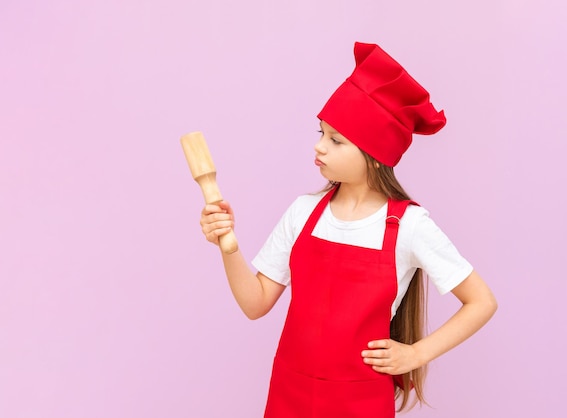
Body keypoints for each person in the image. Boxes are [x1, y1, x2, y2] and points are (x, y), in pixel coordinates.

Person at [199, 42, 497, 418]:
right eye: (321, 132)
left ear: (376, 156)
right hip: (289, 392)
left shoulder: (409, 226)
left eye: (336, 140)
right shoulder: (303, 212)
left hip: (361, 403)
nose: (319, 147)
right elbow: (255, 304)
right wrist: (228, 246)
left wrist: (416, 354)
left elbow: (482, 301)